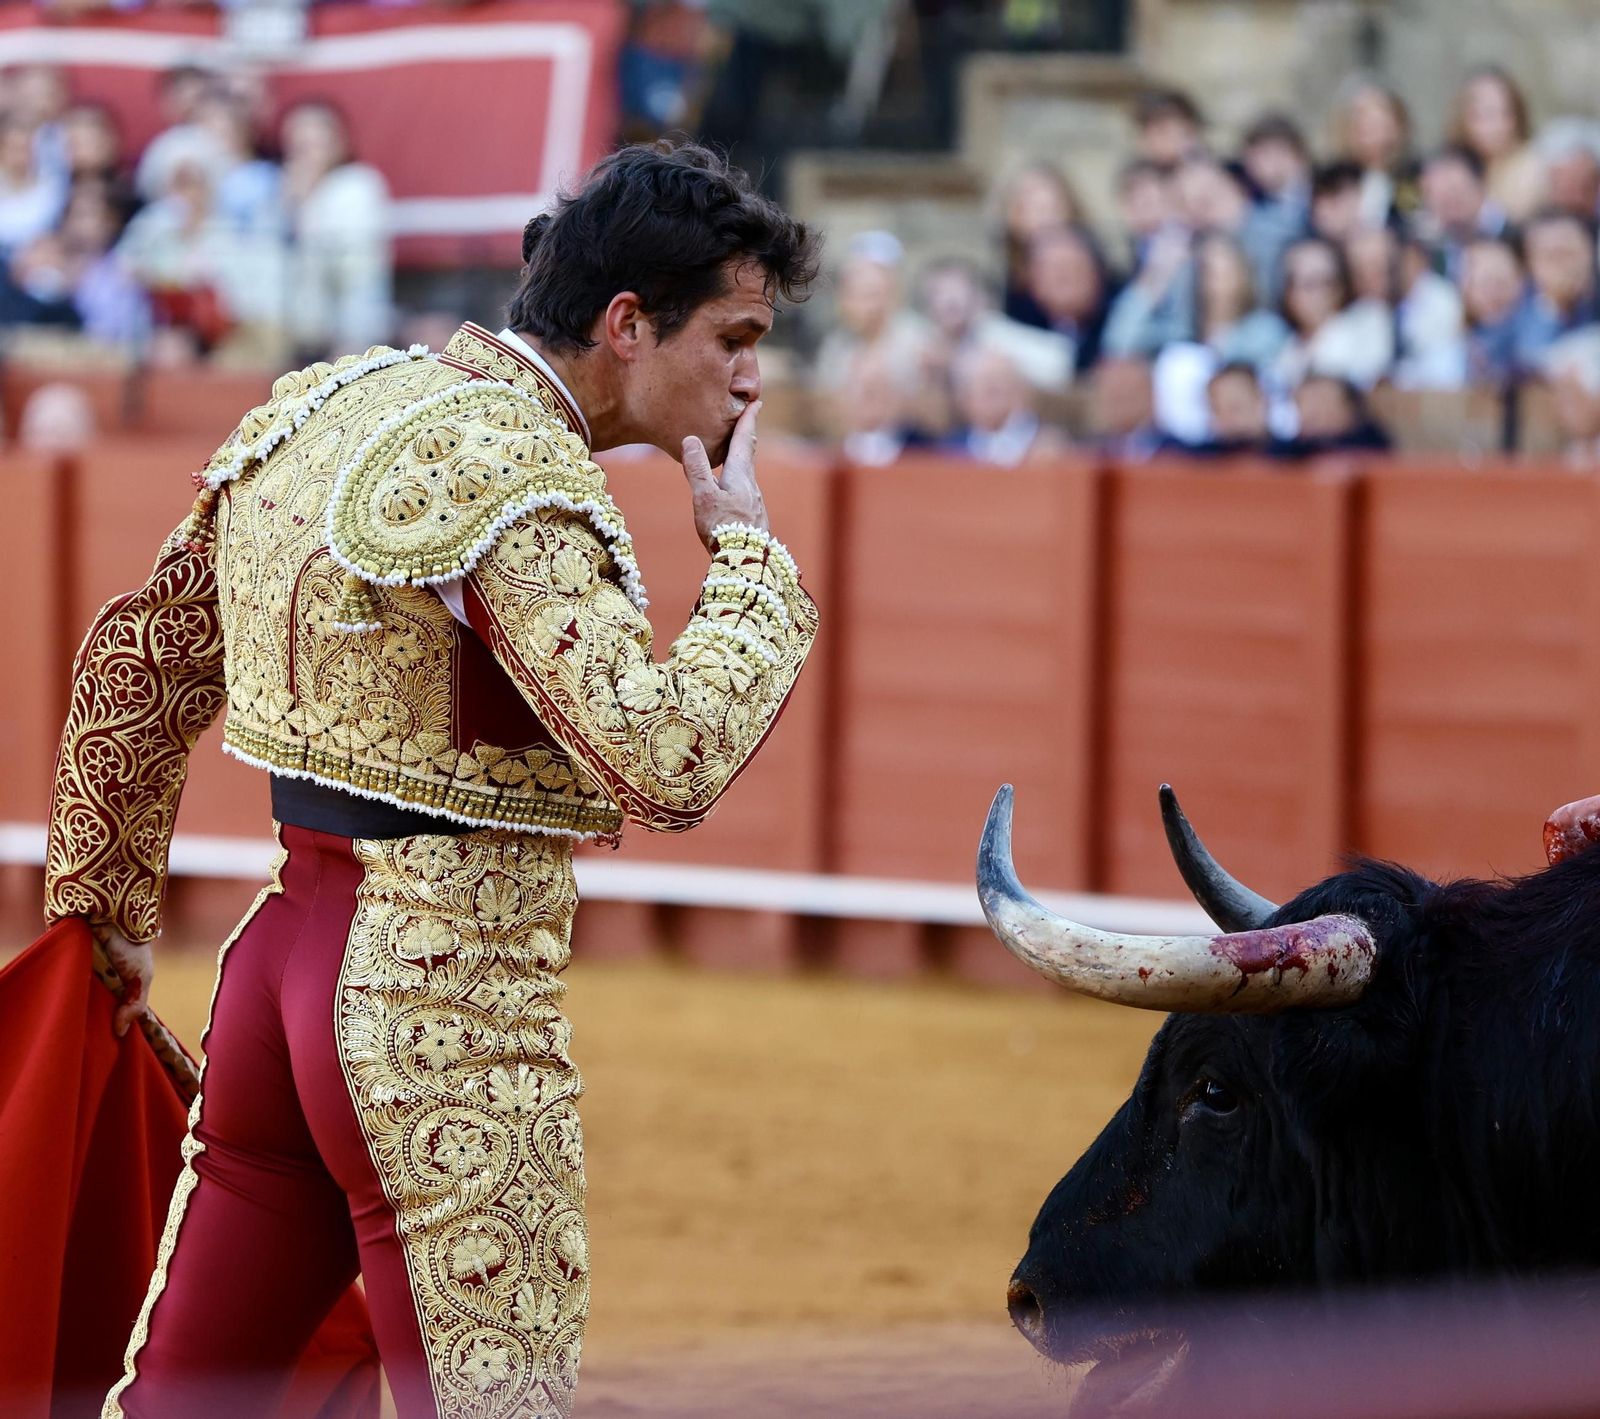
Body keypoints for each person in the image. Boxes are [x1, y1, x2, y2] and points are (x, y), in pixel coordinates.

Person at [46, 140, 820, 1419]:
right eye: (735, 336)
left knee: (188, 1405)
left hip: (278, 973)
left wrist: (111, 906)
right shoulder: (510, 471)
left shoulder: (328, 404)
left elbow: (145, 666)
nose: (752, 376)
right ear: (628, 324)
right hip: (437, 1006)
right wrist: (747, 565)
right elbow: (668, 761)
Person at [279, 100, 392, 359]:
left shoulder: (357, 186)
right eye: (299, 146)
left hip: (349, 335)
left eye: (315, 143)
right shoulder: (283, 191)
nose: (307, 154)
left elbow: (357, 271)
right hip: (294, 334)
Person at [1271, 236, 1394, 391]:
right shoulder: (1286, 350)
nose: (1307, 294)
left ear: (1340, 286)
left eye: (1317, 281)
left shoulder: (1367, 325)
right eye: (1298, 283)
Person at [1449, 65, 1545, 225]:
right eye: (1484, 114)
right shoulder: (1454, 163)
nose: (1498, 125)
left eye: (1505, 113)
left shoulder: (1532, 167)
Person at [1510, 208, 1600, 372]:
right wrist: (1554, 305)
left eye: (1568, 253)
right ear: (1530, 264)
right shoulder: (1513, 313)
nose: (1562, 266)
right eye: (1551, 257)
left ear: (1590, 253)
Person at [1330, 76, 1420, 229]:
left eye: (1379, 110)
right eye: (1360, 112)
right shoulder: (1333, 179)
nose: (1370, 120)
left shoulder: (1411, 176)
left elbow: (1413, 221)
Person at [1018, 223, 1110, 373]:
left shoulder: (1120, 320)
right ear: (1033, 282)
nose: (1066, 279)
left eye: (1074, 268)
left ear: (1097, 274)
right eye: (1056, 272)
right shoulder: (1019, 322)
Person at [1415, 145, 1506, 283]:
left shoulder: (1515, 237)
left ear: (1481, 187)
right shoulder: (1430, 253)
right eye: (1440, 199)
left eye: (1456, 193)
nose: (1450, 207)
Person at [1460, 233, 1526, 385]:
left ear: (1519, 283)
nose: (1494, 293)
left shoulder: (1533, 340)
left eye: (1501, 283)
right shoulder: (1450, 346)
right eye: (1485, 283)